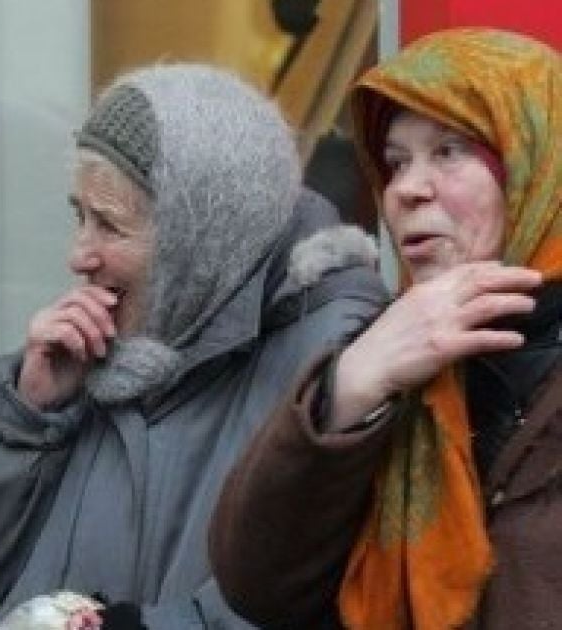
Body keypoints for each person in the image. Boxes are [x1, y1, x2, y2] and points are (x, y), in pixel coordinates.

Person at [0, 62, 387, 629]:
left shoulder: (333, 365)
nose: (79, 255)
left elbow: (311, 600)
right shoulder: (93, 360)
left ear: (200, 239)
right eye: (80, 216)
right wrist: (19, 417)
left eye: (110, 225)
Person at [210, 28, 562, 629]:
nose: (406, 190)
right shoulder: (388, 355)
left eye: (449, 151)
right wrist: (349, 388)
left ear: (536, 165)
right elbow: (257, 585)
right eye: (395, 163)